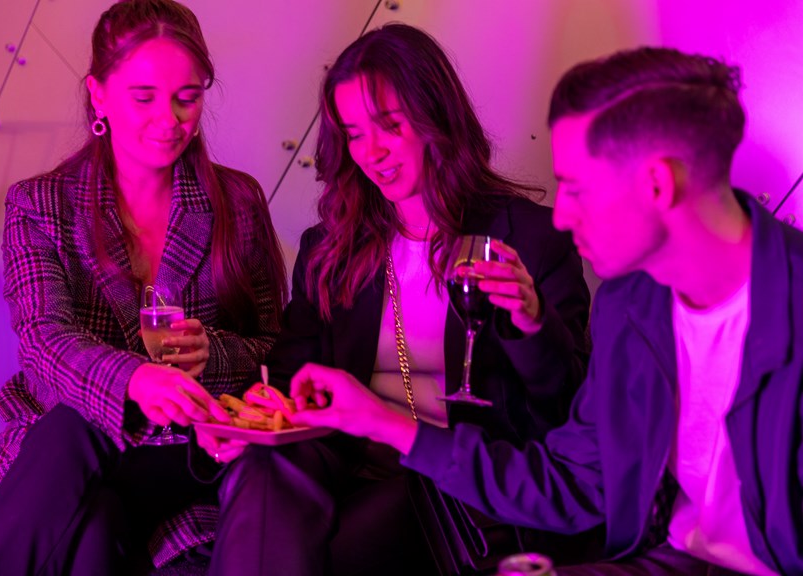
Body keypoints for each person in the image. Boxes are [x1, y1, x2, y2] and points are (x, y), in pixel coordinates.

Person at [287, 45, 803, 575]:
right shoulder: (631, 305)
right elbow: (575, 481)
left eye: (577, 189)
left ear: (657, 183)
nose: (560, 216)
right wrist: (387, 424)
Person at [197, 23, 593, 575]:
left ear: (437, 119)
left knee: (333, 550)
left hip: (449, 473)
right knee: (263, 469)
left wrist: (530, 323)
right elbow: (292, 372)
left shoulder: (530, 238)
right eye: (355, 134)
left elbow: (567, 408)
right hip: (346, 458)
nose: (371, 152)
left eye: (389, 125)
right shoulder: (330, 245)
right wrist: (260, 412)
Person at [0, 1, 287, 574]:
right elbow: (43, 341)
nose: (169, 119)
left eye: (188, 97)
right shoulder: (41, 203)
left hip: (193, 454)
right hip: (70, 446)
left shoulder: (238, 201)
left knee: (78, 459)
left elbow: (277, 347)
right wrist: (135, 379)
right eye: (144, 97)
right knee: (88, 501)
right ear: (99, 94)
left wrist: (213, 354)